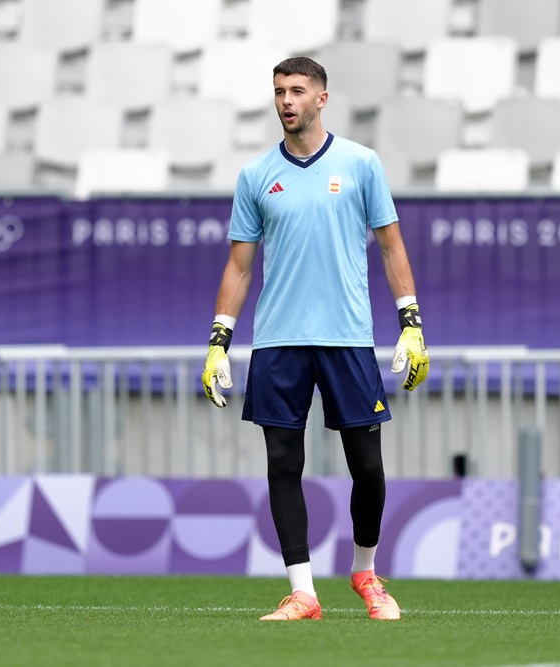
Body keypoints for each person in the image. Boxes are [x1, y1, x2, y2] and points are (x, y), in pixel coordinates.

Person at [201, 56, 429, 622]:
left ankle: (366, 573)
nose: (286, 101)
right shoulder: (255, 175)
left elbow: (392, 245)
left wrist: (412, 323)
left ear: (322, 98)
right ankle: (303, 592)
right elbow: (238, 266)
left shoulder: (361, 163)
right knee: (283, 462)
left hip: (347, 337)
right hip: (279, 339)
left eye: (297, 91)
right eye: (279, 91)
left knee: (367, 466)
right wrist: (218, 340)